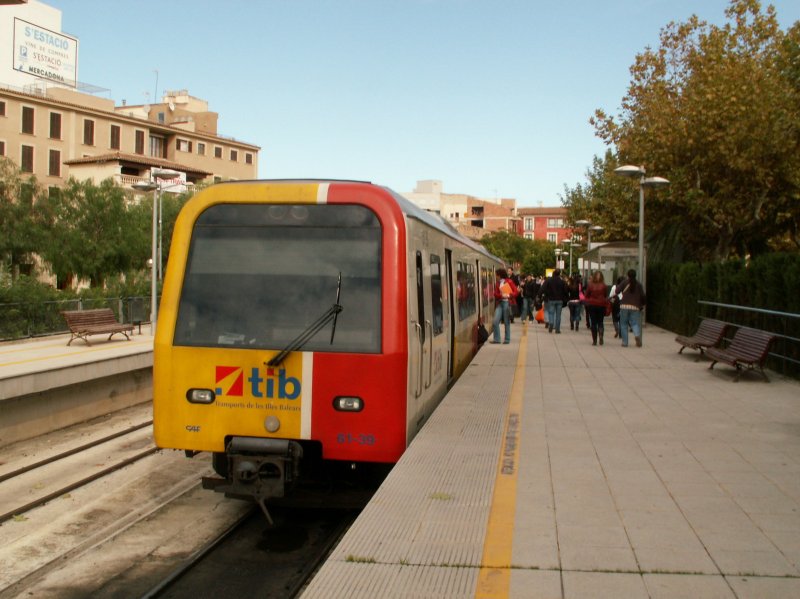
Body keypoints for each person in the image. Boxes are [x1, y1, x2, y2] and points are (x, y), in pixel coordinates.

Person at [617, 269, 646, 347]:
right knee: (634, 323)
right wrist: (642, 304)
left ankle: (625, 342)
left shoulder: (624, 282)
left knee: (623, 324)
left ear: (628, 275)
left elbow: (617, 290)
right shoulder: (639, 284)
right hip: (635, 307)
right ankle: (637, 335)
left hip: (624, 306)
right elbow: (643, 296)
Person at [491, 268, 518, 344]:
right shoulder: (498, 283)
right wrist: (501, 295)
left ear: (500, 275)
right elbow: (495, 294)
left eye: (496, 275)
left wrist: (509, 295)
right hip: (500, 303)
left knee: (506, 322)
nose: (496, 276)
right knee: (495, 321)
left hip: (507, 303)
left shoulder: (509, 281)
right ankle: (497, 339)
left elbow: (515, 292)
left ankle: (507, 339)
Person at [583, 270, 608, 346]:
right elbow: (605, 295)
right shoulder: (604, 285)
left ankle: (594, 340)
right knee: (600, 321)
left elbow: (586, 295)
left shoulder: (590, 285)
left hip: (592, 305)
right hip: (601, 305)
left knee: (593, 322)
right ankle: (601, 334)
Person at [541, 269, 568, 333]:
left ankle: (551, 323)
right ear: (559, 274)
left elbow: (543, 288)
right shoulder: (562, 282)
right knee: (558, 315)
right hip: (559, 300)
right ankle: (557, 329)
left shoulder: (549, 281)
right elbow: (565, 291)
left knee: (551, 313)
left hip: (551, 299)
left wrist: (539, 295)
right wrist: (566, 299)